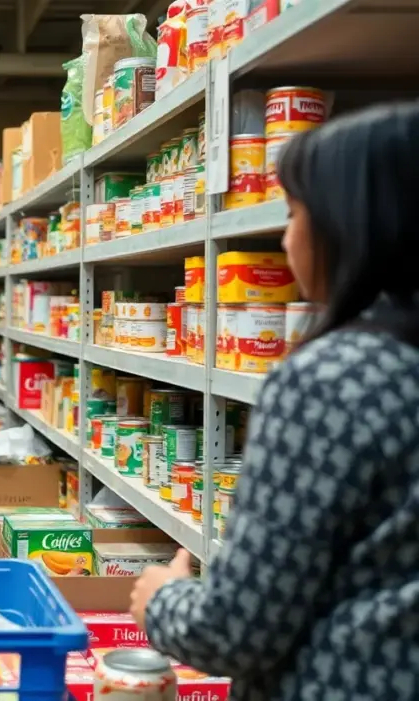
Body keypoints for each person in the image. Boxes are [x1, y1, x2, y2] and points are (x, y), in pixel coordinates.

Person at [130, 102, 419, 699]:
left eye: (294, 213)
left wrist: (163, 598)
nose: (287, 238)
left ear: (352, 226)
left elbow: (234, 630)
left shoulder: (333, 380)